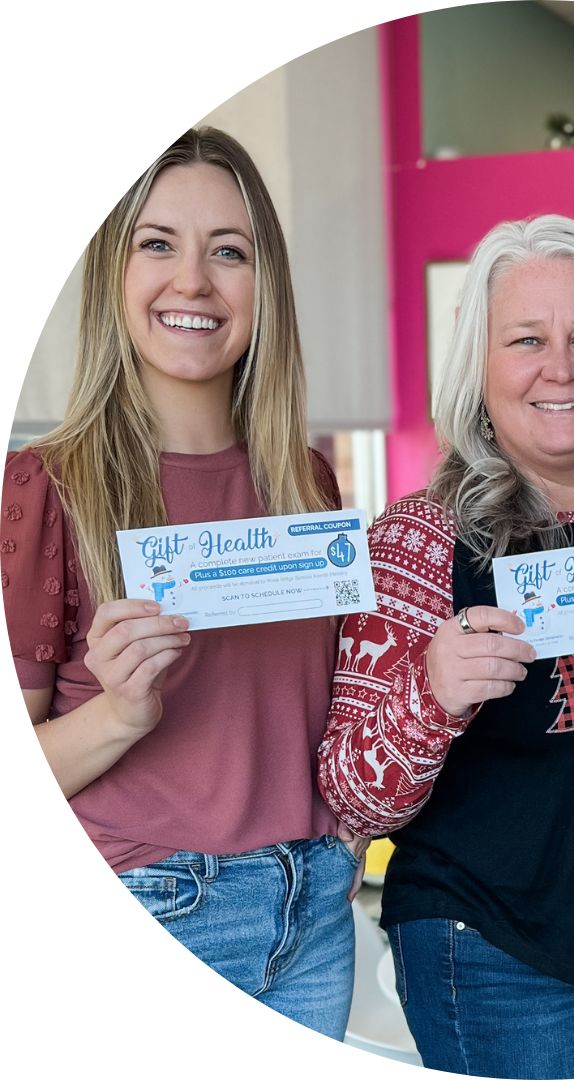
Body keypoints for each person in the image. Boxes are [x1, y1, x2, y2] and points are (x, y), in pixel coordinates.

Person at [319, 214, 574, 1078]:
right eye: (526, 340)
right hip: (489, 947)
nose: (561, 367)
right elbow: (351, 791)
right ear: (480, 369)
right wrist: (432, 690)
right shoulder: (419, 538)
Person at [1, 127, 362, 1039]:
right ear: (113, 276)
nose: (193, 281)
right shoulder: (46, 488)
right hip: (150, 902)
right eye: (157, 243)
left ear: (263, 287)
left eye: (228, 252)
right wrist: (118, 713)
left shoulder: (307, 482)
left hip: (317, 911)